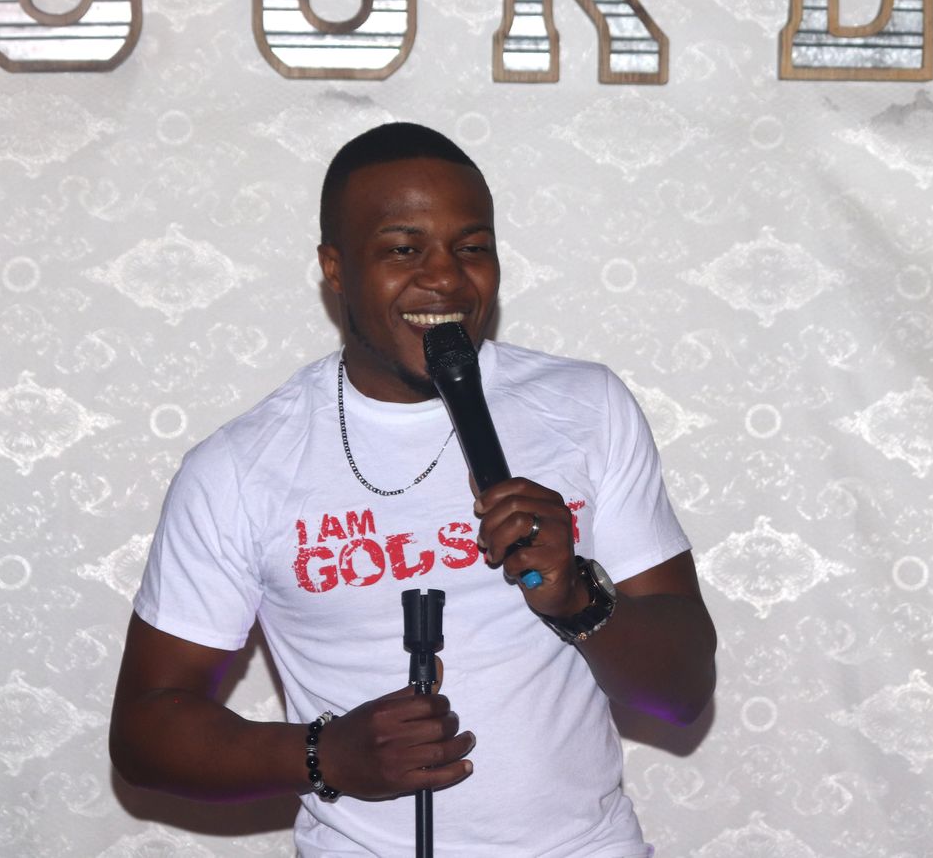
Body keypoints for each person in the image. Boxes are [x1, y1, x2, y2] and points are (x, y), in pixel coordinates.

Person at [110, 122, 716, 857]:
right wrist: (325, 755)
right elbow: (144, 731)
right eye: (403, 249)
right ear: (335, 269)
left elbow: (683, 690)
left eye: (472, 247)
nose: (446, 278)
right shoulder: (240, 467)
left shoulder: (585, 407)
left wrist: (579, 598)